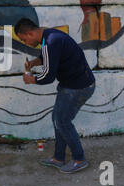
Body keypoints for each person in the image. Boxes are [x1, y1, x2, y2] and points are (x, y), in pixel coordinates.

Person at [14, 18, 96, 174]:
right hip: (75, 85)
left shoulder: (50, 43)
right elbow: (49, 57)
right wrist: (34, 63)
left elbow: (48, 77)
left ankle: (79, 159)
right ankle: (58, 158)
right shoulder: (51, 36)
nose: (25, 43)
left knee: (62, 121)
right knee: (58, 119)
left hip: (77, 88)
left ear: (30, 33)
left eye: (24, 39)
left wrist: (31, 79)